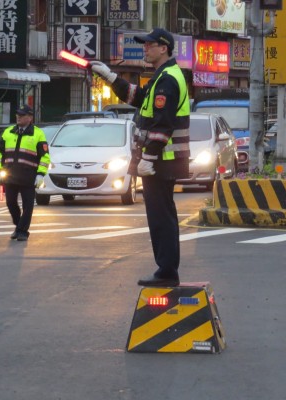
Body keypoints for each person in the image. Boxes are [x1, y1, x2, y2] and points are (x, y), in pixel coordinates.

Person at [91, 28, 190, 287]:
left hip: (161, 161)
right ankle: (166, 268)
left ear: (164, 48)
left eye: (149, 45)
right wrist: (111, 78)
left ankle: (167, 270)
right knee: (161, 214)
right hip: (160, 160)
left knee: (161, 217)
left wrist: (149, 157)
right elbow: (139, 98)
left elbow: (163, 122)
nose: (145, 49)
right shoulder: (162, 76)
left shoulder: (168, 78)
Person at [0, 105, 50, 241]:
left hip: (28, 176)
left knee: (28, 205)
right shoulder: (8, 132)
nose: (18, 117)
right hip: (10, 175)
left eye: (22, 115)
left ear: (30, 118)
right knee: (10, 202)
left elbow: (45, 156)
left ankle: (22, 231)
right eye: (17, 114)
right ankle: (19, 225)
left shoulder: (38, 134)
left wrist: (40, 174)